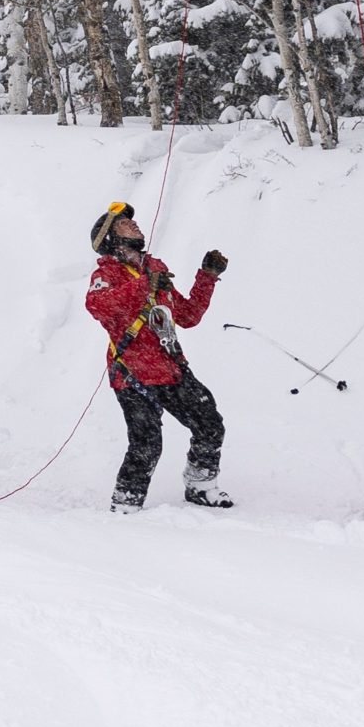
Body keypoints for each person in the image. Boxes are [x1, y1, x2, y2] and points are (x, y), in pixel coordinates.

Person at [84, 202, 232, 511]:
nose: (134, 226)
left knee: (210, 425)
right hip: (132, 374)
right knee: (147, 444)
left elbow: (188, 316)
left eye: (131, 222)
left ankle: (200, 487)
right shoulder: (106, 273)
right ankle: (126, 504)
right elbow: (99, 306)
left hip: (170, 368)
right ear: (111, 237)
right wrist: (142, 287)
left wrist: (207, 277)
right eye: (124, 224)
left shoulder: (155, 270)